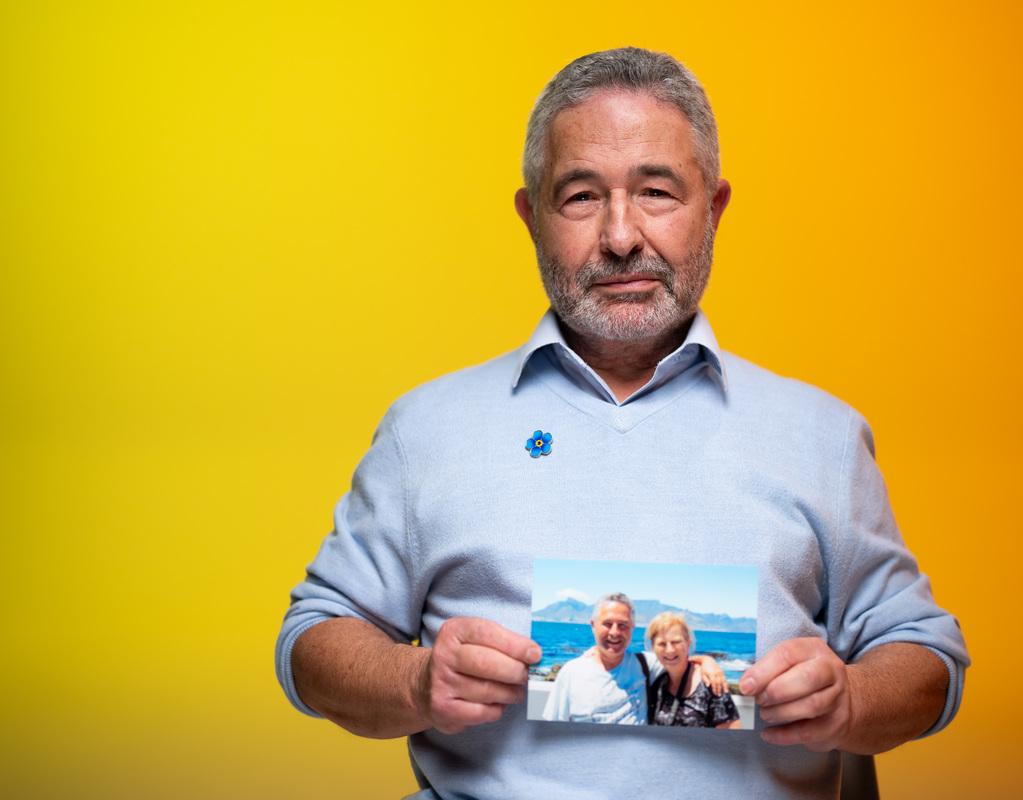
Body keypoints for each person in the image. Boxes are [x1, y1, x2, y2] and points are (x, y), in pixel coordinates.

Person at [276, 47, 969, 798]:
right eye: (579, 196)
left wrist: (854, 701)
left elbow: (926, 657)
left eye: (657, 192)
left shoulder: (823, 436)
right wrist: (414, 681)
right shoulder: (425, 430)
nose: (620, 237)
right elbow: (312, 642)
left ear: (714, 206)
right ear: (531, 216)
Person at [540, 594, 725, 724]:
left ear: (632, 629)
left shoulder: (645, 664)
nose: (614, 632)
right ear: (593, 625)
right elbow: (552, 728)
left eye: (622, 625)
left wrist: (708, 662)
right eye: (607, 624)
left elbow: (677, 659)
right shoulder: (572, 673)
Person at [646, 612, 740, 729]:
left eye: (676, 642)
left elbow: (732, 738)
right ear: (653, 648)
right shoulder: (658, 682)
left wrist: (708, 660)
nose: (669, 650)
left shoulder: (710, 683)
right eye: (662, 644)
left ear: (688, 643)